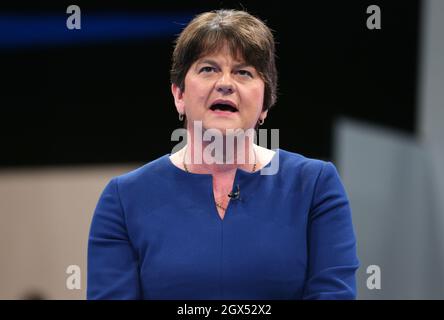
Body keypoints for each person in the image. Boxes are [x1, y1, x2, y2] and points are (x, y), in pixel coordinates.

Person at [87, 9, 359, 300]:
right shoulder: (125, 199)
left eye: (243, 72)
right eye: (208, 69)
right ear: (179, 94)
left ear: (265, 104)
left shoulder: (314, 186)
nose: (225, 83)